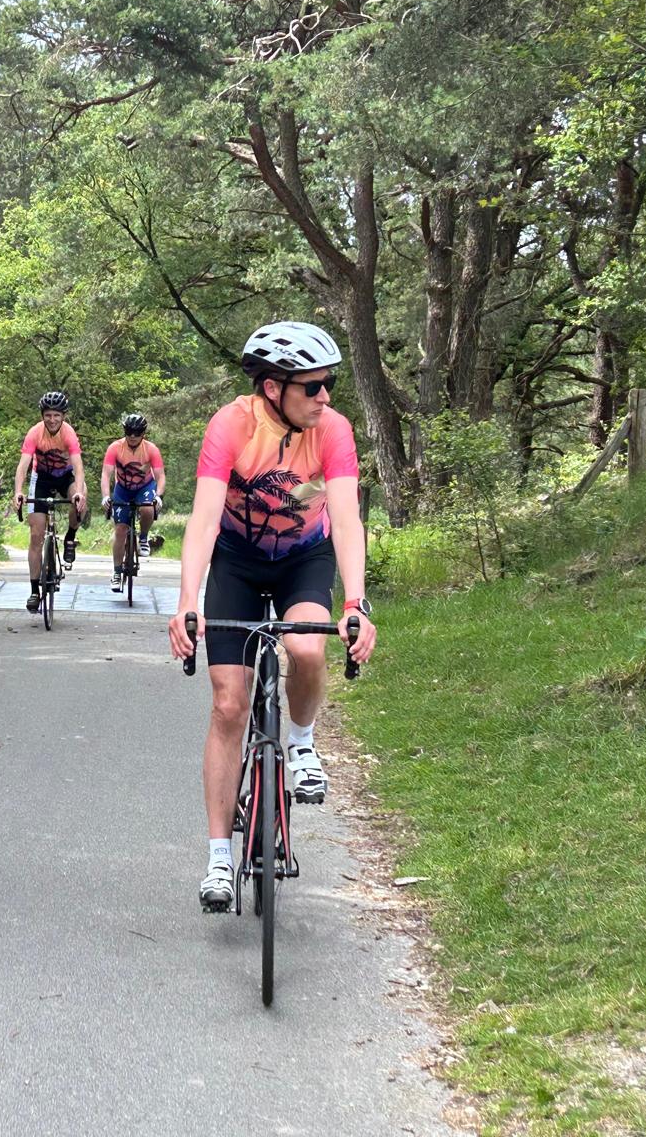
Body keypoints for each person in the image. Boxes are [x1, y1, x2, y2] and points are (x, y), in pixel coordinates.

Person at [165, 321, 378, 911]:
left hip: (302, 559)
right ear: (272, 387)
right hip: (236, 563)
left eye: (329, 384)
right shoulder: (231, 425)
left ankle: (303, 743)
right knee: (228, 705)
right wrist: (187, 601)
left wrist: (356, 604)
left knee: (307, 647)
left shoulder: (333, 430)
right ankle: (218, 858)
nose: (325, 397)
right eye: (313, 387)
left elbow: (347, 519)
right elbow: (204, 519)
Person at [12, 390, 87, 613]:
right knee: (36, 535)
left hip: (65, 476)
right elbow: (23, 466)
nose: (52, 420)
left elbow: (78, 467)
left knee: (80, 498)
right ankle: (34, 590)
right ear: (42, 416)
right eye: (48, 415)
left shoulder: (68, 434)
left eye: (56, 415)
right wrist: (18, 492)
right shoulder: (34, 433)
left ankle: (70, 537)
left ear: (63, 416)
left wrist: (78, 493)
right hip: (42, 478)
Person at [99, 413, 165, 591]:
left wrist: (158, 495)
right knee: (120, 530)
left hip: (145, 487)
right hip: (123, 488)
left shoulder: (151, 449)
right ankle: (116, 572)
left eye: (137, 433)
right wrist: (105, 496)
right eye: (129, 432)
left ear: (143, 433)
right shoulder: (115, 448)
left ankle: (143, 538)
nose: (132, 436)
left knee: (147, 508)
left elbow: (160, 476)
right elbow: (106, 474)